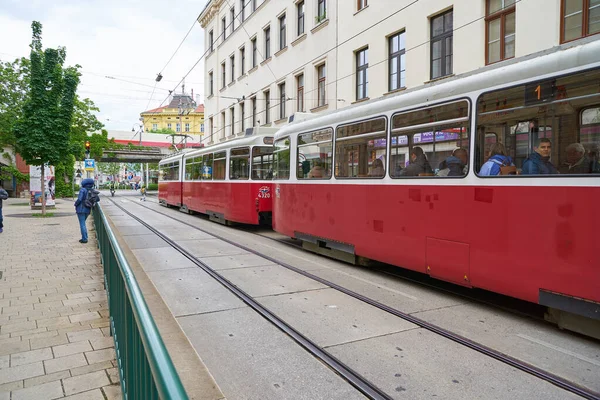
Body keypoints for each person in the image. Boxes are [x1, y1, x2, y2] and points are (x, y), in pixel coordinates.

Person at [74, 178, 95, 244]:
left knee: (82, 224)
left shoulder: (82, 190)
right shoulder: (92, 190)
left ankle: (84, 239)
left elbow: (79, 199)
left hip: (81, 209)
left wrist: (75, 204)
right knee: (83, 223)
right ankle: (85, 237)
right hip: (88, 209)